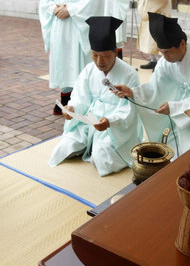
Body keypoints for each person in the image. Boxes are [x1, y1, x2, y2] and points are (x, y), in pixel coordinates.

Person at [113, 12, 190, 157]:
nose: (165, 57)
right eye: (162, 52)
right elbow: (155, 89)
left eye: (168, 52)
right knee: (167, 148)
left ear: (182, 43)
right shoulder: (165, 62)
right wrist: (133, 92)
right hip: (179, 118)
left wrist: (173, 107)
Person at [49, 16, 143, 176]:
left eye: (105, 55)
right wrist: (72, 108)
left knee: (102, 158)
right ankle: (87, 143)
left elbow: (129, 111)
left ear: (115, 52)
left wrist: (109, 122)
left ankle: (95, 146)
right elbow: (80, 98)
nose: (99, 61)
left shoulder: (129, 74)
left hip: (115, 127)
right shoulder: (89, 70)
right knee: (65, 147)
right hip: (90, 120)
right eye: (94, 55)